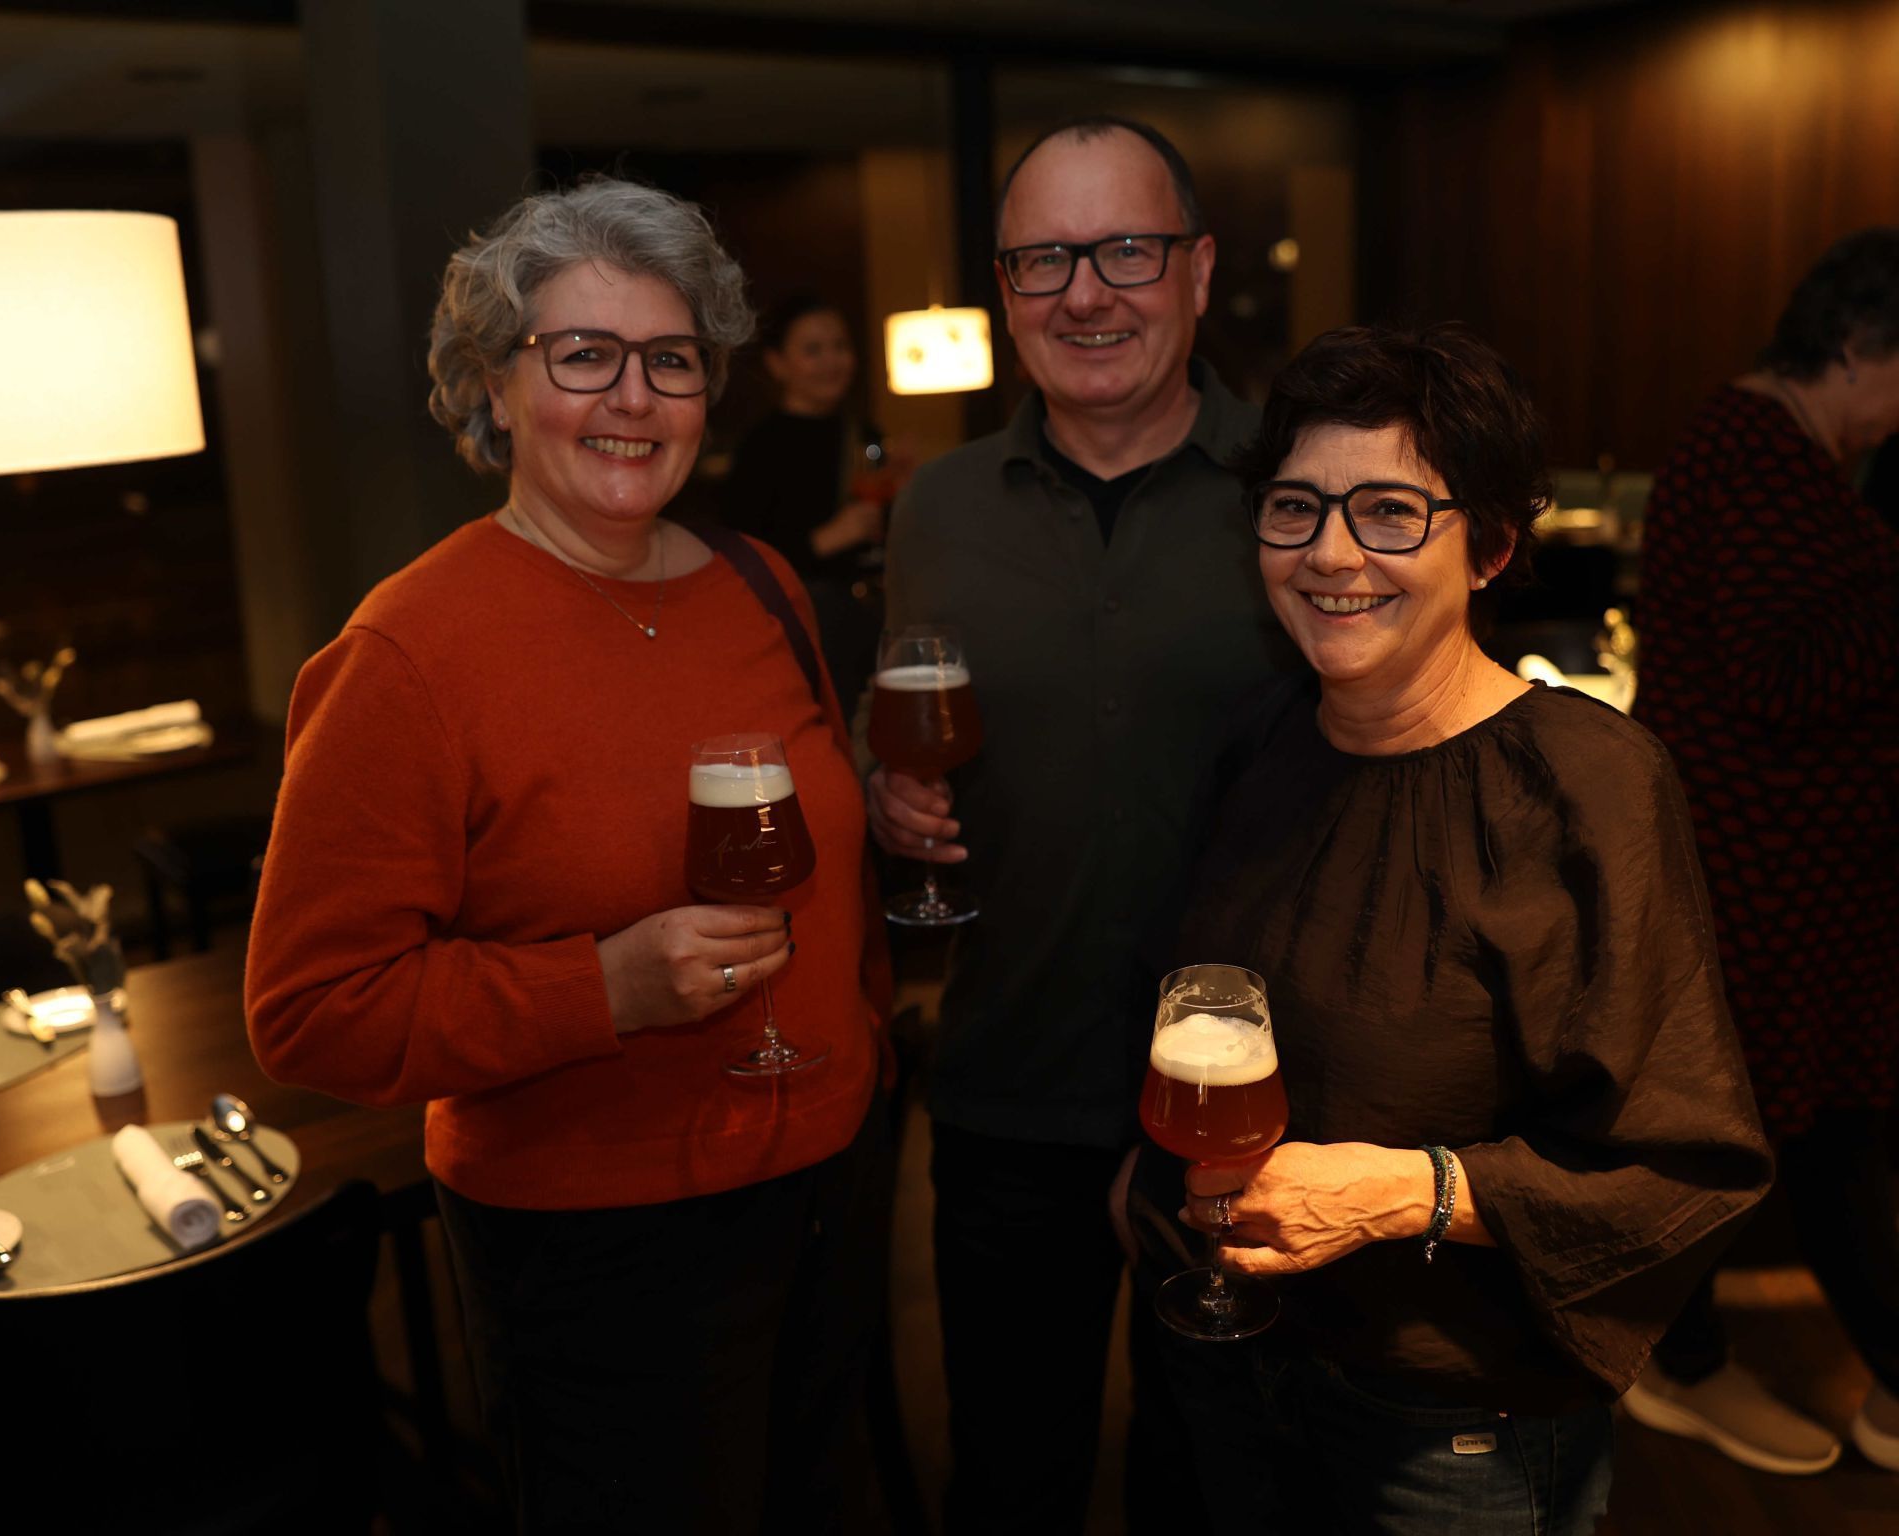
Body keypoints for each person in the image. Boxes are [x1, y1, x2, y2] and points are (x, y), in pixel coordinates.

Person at [244, 176, 888, 1536]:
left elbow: (824, 869)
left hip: (825, 1189)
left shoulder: (760, 583)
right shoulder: (407, 656)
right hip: (601, 1249)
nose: (633, 400)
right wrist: (601, 990)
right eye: (583, 355)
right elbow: (309, 1011)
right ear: (492, 382)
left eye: (671, 360)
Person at [1129, 323, 1774, 1533]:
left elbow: (1684, 1167)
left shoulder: (1588, 786)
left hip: (1445, 1431)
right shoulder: (1258, 737)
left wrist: (1401, 1192)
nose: (1329, 554)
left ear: (1486, 546)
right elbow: (1188, 989)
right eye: (1294, 507)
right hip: (1220, 1365)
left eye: (1386, 511)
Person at [869, 116, 1291, 1533]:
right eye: (1045, 258)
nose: (1086, 293)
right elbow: (917, 752)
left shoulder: (1296, 490)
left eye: (1125, 249)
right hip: (1005, 1090)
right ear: (1004, 287)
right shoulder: (934, 511)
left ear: (1197, 269)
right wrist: (889, 802)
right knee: (1009, 1477)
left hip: (1250, 1105)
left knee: (1220, 1479)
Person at [1627, 227, 1899, 1476]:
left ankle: (1700, 1363)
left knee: (1806, 1131)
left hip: (1800, 883)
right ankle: (1674, 1365)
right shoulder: (1747, 455)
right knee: (1746, 1133)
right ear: (1854, 350)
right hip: (1746, 878)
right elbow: (1771, 677)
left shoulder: (1781, 453)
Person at [723, 296, 888, 700]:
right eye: (813, 350)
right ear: (777, 363)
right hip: (808, 625)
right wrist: (828, 537)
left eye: (840, 346)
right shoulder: (761, 448)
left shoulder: (864, 435)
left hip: (873, 616)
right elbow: (741, 559)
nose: (833, 361)